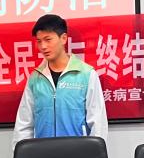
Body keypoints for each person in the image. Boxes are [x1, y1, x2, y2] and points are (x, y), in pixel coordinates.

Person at [13, 13, 108, 145]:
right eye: (39, 41)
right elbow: (24, 123)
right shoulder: (35, 78)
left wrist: (95, 153)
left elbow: (98, 122)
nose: (43, 46)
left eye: (48, 39)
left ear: (63, 38)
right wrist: (21, 153)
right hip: (42, 152)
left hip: (77, 152)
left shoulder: (86, 75)